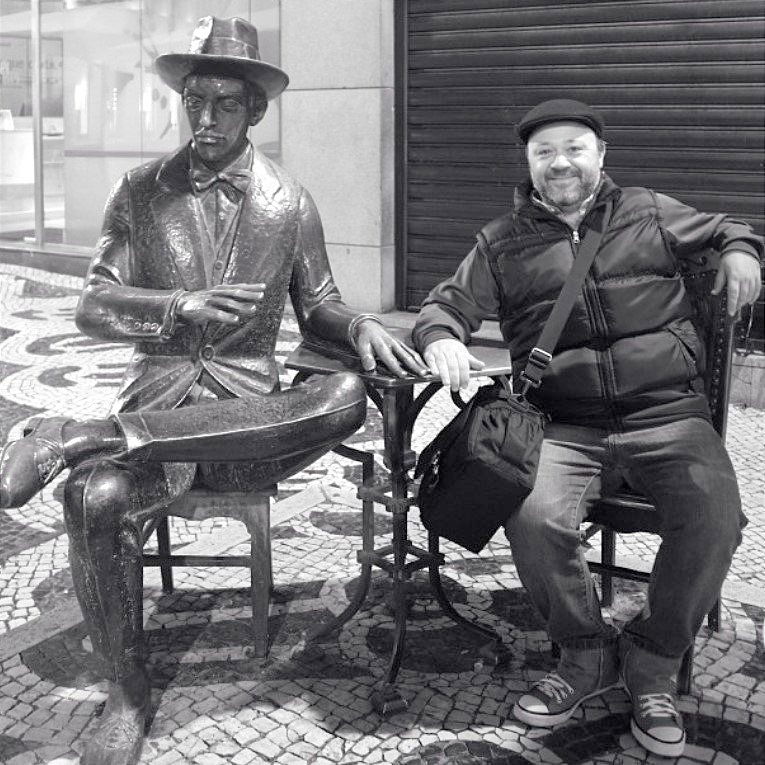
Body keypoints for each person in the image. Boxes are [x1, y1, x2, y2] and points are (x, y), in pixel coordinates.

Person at [0, 17, 426, 765]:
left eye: (223, 103)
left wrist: (356, 325)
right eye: (193, 100)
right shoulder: (140, 193)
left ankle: (76, 435)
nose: (204, 117)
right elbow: (91, 302)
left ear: (254, 110)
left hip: (244, 426)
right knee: (90, 500)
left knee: (344, 394)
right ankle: (128, 690)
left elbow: (317, 303)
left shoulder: (289, 202)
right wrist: (173, 308)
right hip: (160, 406)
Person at [412, 98, 762, 758]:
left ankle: (652, 657)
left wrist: (741, 249)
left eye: (573, 148)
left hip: (667, 416)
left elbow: (726, 228)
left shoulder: (649, 211)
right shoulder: (501, 240)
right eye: (543, 153)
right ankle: (584, 652)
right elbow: (445, 303)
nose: (559, 162)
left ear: (600, 156)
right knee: (534, 516)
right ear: (528, 166)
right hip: (563, 424)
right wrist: (440, 336)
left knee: (716, 518)